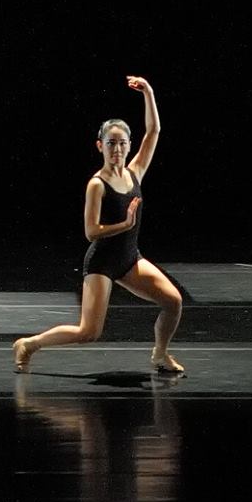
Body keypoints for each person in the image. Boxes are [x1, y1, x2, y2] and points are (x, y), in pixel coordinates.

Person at [14, 77, 184, 374]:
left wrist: (149, 93)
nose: (117, 149)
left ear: (130, 145)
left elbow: (154, 130)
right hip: (103, 262)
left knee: (173, 302)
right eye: (110, 143)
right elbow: (91, 232)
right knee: (89, 332)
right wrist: (125, 223)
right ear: (100, 146)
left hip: (130, 258)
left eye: (122, 143)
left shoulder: (135, 172)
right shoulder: (97, 184)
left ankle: (160, 354)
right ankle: (29, 344)